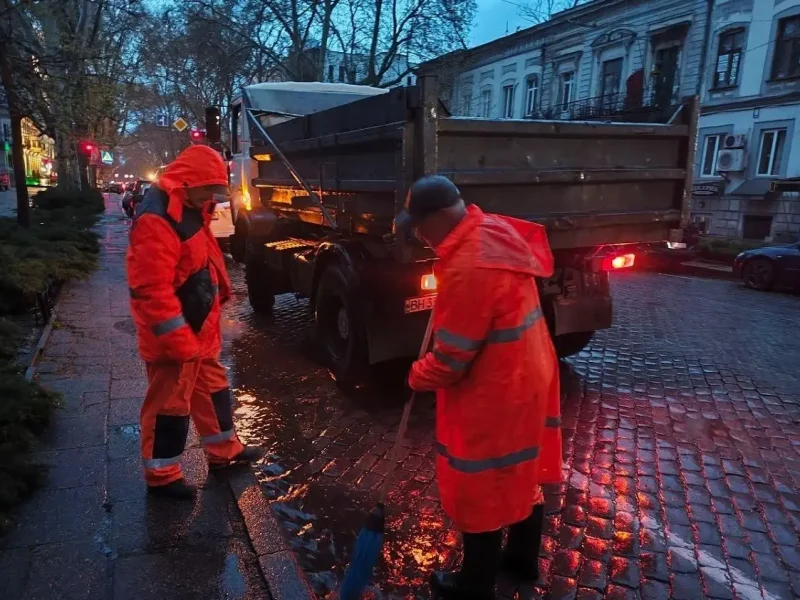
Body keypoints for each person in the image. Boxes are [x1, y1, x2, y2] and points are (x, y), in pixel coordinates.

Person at [400, 176, 563, 600]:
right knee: (520, 469)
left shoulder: (467, 264)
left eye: (419, 225)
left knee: (479, 482)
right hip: (530, 373)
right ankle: (522, 561)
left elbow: (452, 361)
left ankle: (474, 585)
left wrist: (417, 374)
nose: (418, 235)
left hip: (497, 389)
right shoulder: (491, 229)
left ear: (437, 217)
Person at [126, 145, 264, 500]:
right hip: (175, 335)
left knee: (213, 391)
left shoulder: (186, 208)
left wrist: (219, 297)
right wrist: (176, 338)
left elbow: (205, 260)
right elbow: (151, 288)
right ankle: (163, 476)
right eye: (209, 189)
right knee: (169, 405)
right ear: (186, 183)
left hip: (195, 328)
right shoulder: (158, 221)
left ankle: (224, 452)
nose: (213, 197)